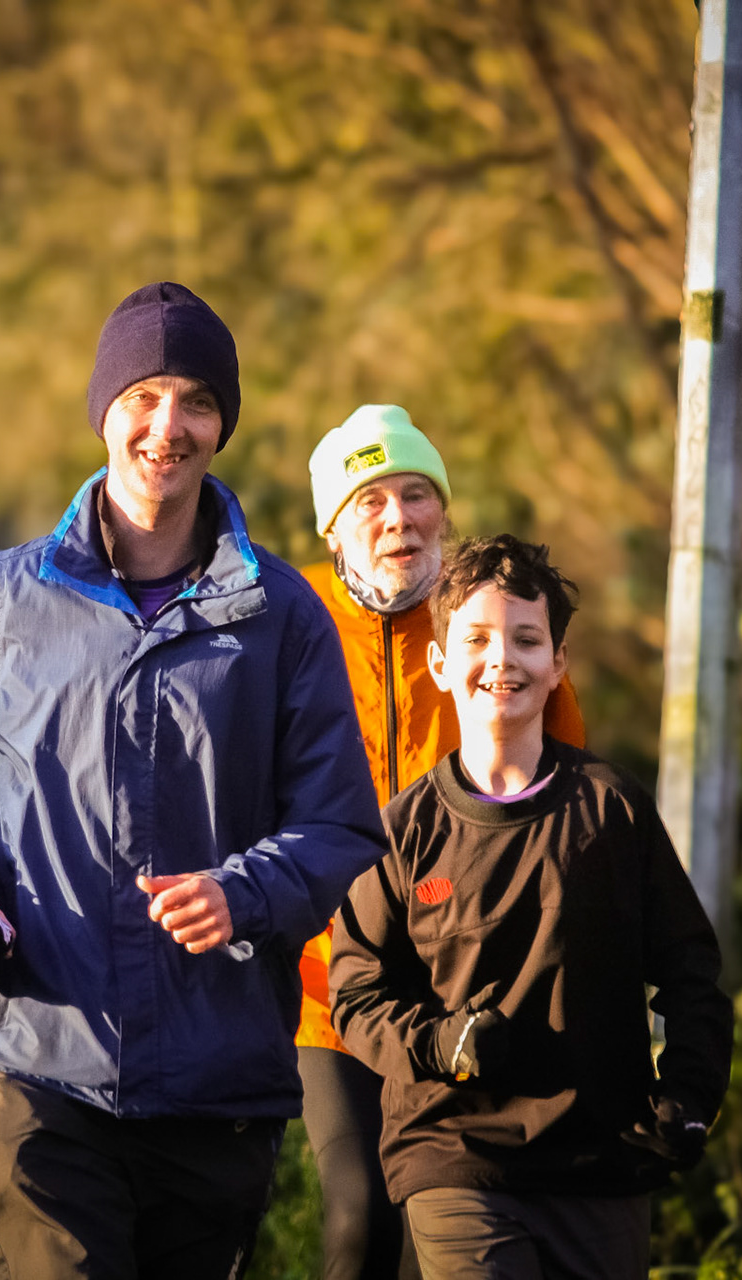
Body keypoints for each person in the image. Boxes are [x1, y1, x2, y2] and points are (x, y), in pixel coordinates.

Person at [0, 282, 388, 1280]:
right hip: (34, 1061)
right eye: (144, 394)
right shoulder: (5, 597)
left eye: (196, 399)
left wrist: (243, 891)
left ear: (223, 423)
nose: (168, 425)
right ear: (104, 408)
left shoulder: (282, 616)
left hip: (216, 1085)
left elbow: (336, 823)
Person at [330, 535, 733, 1280]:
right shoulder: (401, 830)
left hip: (604, 1162)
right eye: (476, 639)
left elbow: (692, 973)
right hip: (455, 1159)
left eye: (526, 639)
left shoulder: (613, 810)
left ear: (559, 663)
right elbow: (354, 996)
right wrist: (439, 1043)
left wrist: (688, 1094)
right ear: (440, 663)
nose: (502, 660)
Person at [296, 406, 587, 1280]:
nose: (398, 519)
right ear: (334, 524)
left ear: (444, 510)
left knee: (445, 1233)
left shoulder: (491, 623)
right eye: (371, 499)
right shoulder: (287, 615)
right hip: (328, 985)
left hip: (470, 984)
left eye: (417, 494)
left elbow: (563, 801)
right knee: (359, 1217)